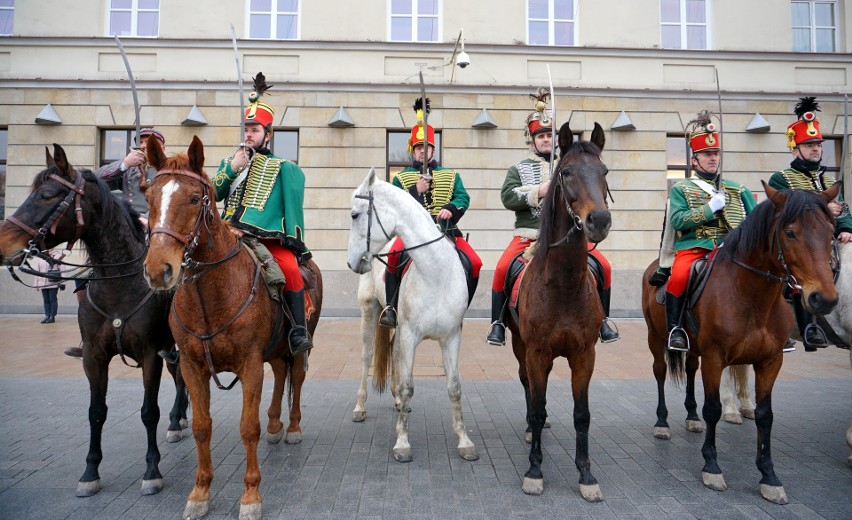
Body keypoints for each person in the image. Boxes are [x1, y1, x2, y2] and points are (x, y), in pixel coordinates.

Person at [485, 89, 619, 346]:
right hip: (529, 236)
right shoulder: (519, 169)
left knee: (604, 267)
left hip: (567, 236)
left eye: (550, 136)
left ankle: (602, 320)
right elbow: (508, 197)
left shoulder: (570, 164)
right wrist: (539, 191)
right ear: (532, 140)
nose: (547, 140)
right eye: (541, 136)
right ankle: (498, 323)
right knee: (502, 269)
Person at [212, 72, 313, 354]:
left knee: (291, 270)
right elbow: (213, 195)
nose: (249, 134)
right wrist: (232, 168)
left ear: (267, 135)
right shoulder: (229, 163)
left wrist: (252, 228)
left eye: (255, 130)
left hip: (264, 238)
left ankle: (297, 332)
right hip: (224, 233)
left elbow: (283, 208)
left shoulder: (282, 168)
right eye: (246, 129)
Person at [378, 97, 482, 328]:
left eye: (427, 148)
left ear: (433, 149)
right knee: (393, 259)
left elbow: (462, 196)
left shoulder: (451, 174)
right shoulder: (401, 178)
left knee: (474, 262)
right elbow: (394, 207)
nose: (422, 152)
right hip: (411, 236)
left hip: (447, 232)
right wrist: (416, 191)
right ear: (412, 151)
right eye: (418, 148)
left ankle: (461, 306)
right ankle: (391, 309)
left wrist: (450, 209)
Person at [665, 111, 757, 351]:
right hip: (695, 248)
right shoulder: (681, 189)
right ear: (695, 160)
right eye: (707, 154)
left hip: (732, 250)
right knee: (679, 276)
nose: (713, 158)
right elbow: (677, 220)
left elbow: (756, 220)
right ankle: (675, 329)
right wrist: (709, 209)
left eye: (715, 153)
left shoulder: (738, 189)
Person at [768, 96, 852, 351]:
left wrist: (846, 226)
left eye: (817, 144)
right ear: (795, 149)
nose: (816, 148)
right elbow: (788, 212)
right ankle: (805, 328)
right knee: (798, 275)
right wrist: (825, 208)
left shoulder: (825, 180)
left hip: (829, 240)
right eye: (809, 144)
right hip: (798, 242)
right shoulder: (781, 179)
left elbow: (843, 207)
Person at [96, 127, 165, 227]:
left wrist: (147, 218)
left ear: (162, 148)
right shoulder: (129, 170)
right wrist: (124, 163)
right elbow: (96, 180)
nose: (143, 146)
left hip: (158, 227)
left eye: (149, 142)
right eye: (141, 142)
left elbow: (173, 205)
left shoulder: (169, 171)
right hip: (127, 225)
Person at [33, 249, 64, 324]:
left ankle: (52, 316)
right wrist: (36, 285)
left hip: (53, 283)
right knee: (46, 300)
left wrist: (63, 283)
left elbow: (62, 270)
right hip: (43, 283)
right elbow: (37, 272)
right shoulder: (42, 256)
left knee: (52, 300)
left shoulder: (57, 256)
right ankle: (47, 315)